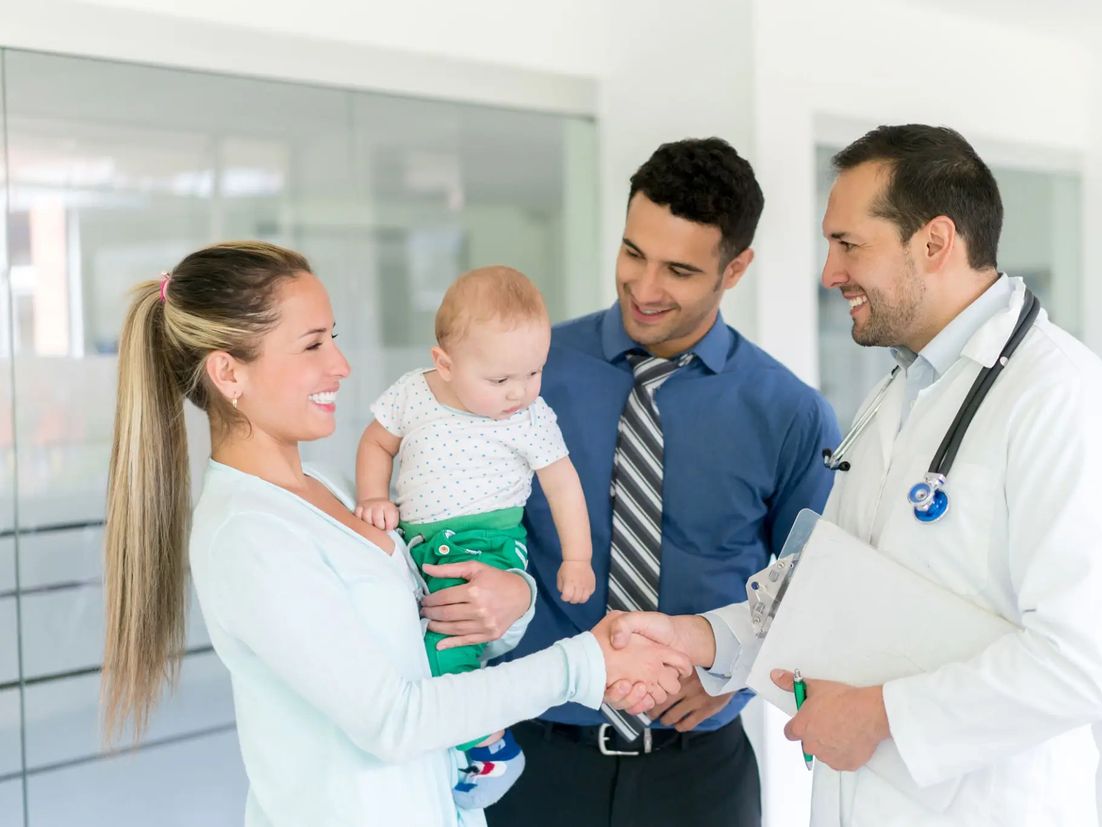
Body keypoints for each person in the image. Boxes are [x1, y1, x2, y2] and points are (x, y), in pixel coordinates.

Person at [611, 125, 1102, 826]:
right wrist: (704, 637)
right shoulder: (903, 390)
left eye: (847, 244)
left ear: (933, 242)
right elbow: (830, 589)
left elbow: (1083, 664)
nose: (828, 273)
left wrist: (881, 714)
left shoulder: (1067, 401)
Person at [99, 241, 691, 827]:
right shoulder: (248, 535)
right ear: (228, 372)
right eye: (312, 344)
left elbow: (426, 634)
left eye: (333, 336)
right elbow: (395, 720)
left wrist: (513, 598)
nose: (340, 364)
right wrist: (582, 666)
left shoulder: (324, 488)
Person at [487, 138, 842, 827]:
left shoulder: (788, 413)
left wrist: (735, 675)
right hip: (537, 756)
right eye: (633, 253)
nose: (645, 289)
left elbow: (821, 589)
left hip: (699, 773)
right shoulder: (527, 375)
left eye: (678, 269)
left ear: (735, 267)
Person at [353, 265, 595, 807]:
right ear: (445, 363)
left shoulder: (531, 418)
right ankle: (456, 742)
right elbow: (376, 443)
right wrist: (373, 496)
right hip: (414, 547)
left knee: (448, 645)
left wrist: (577, 558)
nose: (520, 392)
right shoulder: (413, 395)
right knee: (409, 647)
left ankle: (490, 747)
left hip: (486, 546)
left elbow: (563, 485)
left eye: (534, 373)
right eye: (501, 380)